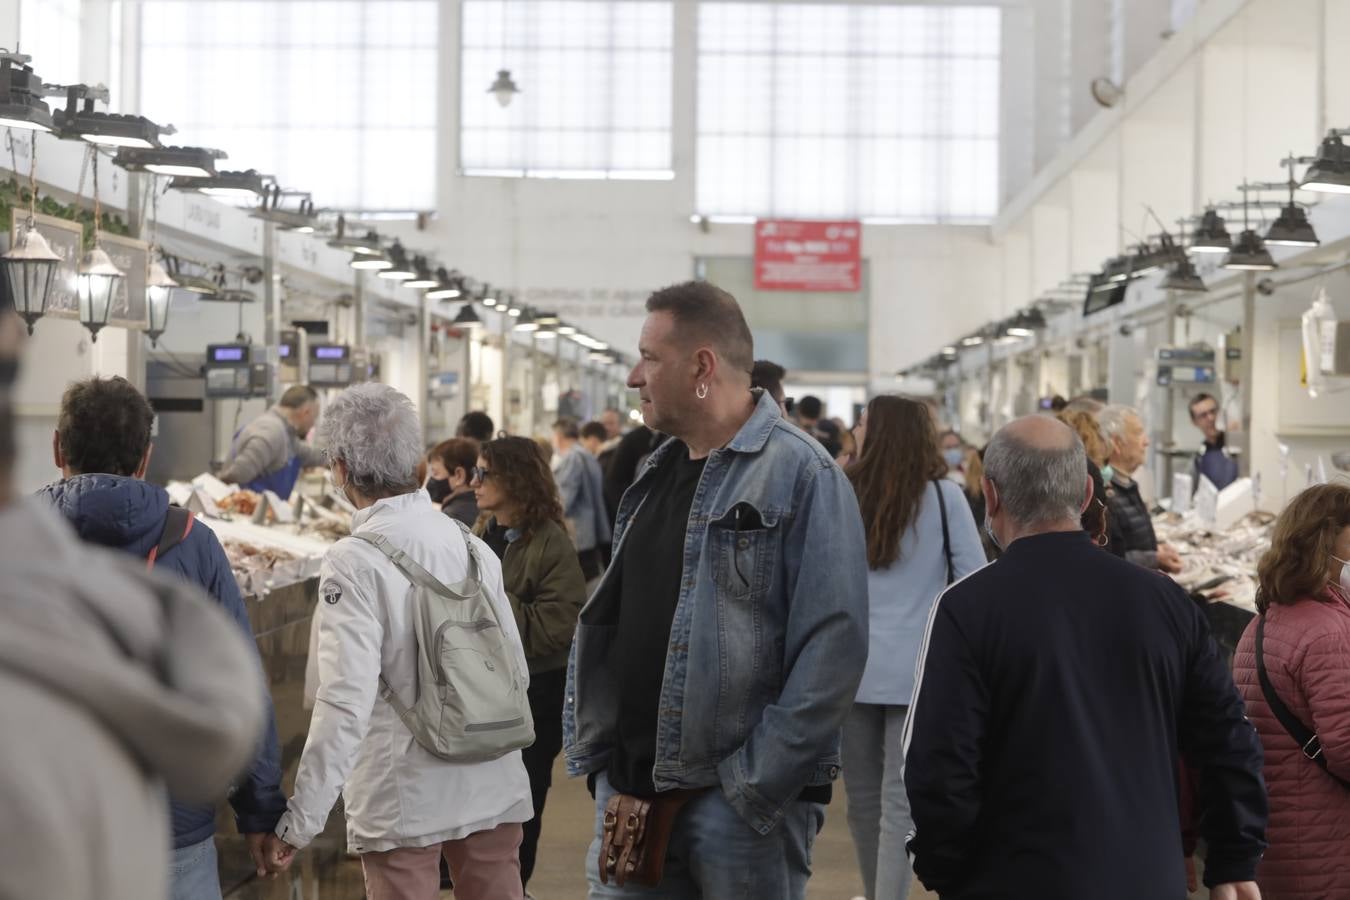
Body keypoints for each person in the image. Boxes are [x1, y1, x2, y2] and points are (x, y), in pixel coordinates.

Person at [564, 280, 869, 899]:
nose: (633, 377)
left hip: (734, 807)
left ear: (702, 366)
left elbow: (834, 647)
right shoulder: (656, 470)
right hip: (630, 792)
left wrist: (752, 784)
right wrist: (603, 764)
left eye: (649, 358)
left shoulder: (801, 474)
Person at [903, 415, 1267, 900]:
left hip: (1011, 879)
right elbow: (1227, 736)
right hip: (1146, 877)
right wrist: (1232, 858)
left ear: (990, 496)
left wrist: (949, 872)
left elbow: (939, 767)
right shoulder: (1164, 601)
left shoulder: (965, 609)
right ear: (1085, 492)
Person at [0, 333, 267, 899]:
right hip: (175, 830)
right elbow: (243, 679)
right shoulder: (196, 542)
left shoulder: (12, 545)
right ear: (146, 456)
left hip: (35, 830)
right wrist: (260, 809)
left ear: (56, 448)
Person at [266, 383, 531, 900]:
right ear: (413, 463)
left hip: (406, 791)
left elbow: (344, 700)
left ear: (341, 469)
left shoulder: (354, 560)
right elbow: (514, 669)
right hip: (492, 773)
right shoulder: (472, 545)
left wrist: (302, 819)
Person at [841, 396, 986, 900]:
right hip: (920, 672)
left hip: (850, 670)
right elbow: (972, 579)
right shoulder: (946, 498)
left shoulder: (842, 493)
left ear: (878, 433)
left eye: (861, 423)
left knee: (860, 800)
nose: (854, 431)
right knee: (898, 803)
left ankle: (875, 891)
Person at [472, 436, 588, 892]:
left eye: (486, 474)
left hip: (535, 693)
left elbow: (555, 628)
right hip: (485, 689)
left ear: (515, 480)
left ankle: (516, 885)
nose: (476, 482)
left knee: (524, 799)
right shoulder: (486, 530)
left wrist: (492, 603)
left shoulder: (551, 544)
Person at [1232, 483, 1350, 899]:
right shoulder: (1327, 632)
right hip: (1323, 844)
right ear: (1323, 547)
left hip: (1277, 836)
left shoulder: (1266, 618)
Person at [1099, 404, 1183, 574]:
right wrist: (1154, 559)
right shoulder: (1104, 494)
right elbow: (1109, 558)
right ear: (1116, 443)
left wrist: (1156, 549)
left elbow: (1132, 541)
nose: (1147, 441)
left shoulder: (1127, 484)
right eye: (1138, 433)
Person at [219, 384, 325, 497]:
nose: (313, 424)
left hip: (262, 511)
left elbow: (310, 455)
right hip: (244, 511)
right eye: (314, 418)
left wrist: (338, 457)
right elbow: (235, 476)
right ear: (306, 412)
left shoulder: (287, 434)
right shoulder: (272, 432)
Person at [552, 417, 612, 587]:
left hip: (577, 530)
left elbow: (565, 496)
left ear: (558, 436)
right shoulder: (587, 455)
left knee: (580, 582)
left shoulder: (572, 457)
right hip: (590, 528)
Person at [1190, 392, 1241, 491]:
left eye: (1213, 411)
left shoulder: (1237, 446)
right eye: (1203, 415)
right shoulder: (1200, 455)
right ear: (1194, 422)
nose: (1211, 418)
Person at [427, 438, 479, 527]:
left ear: (459, 475)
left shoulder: (452, 516)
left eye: (436, 473)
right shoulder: (480, 507)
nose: (431, 479)